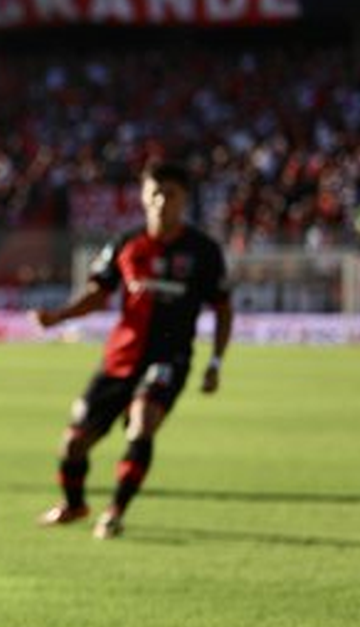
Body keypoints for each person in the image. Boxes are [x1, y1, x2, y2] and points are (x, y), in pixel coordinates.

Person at [30, 162, 231, 540]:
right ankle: (74, 505)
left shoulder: (203, 251)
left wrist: (216, 362)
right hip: (120, 358)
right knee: (73, 443)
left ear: (184, 199)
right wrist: (58, 317)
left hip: (169, 357)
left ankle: (115, 512)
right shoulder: (126, 243)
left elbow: (222, 307)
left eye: (170, 194)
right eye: (155, 193)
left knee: (142, 423)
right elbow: (98, 293)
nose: (161, 201)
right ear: (143, 196)